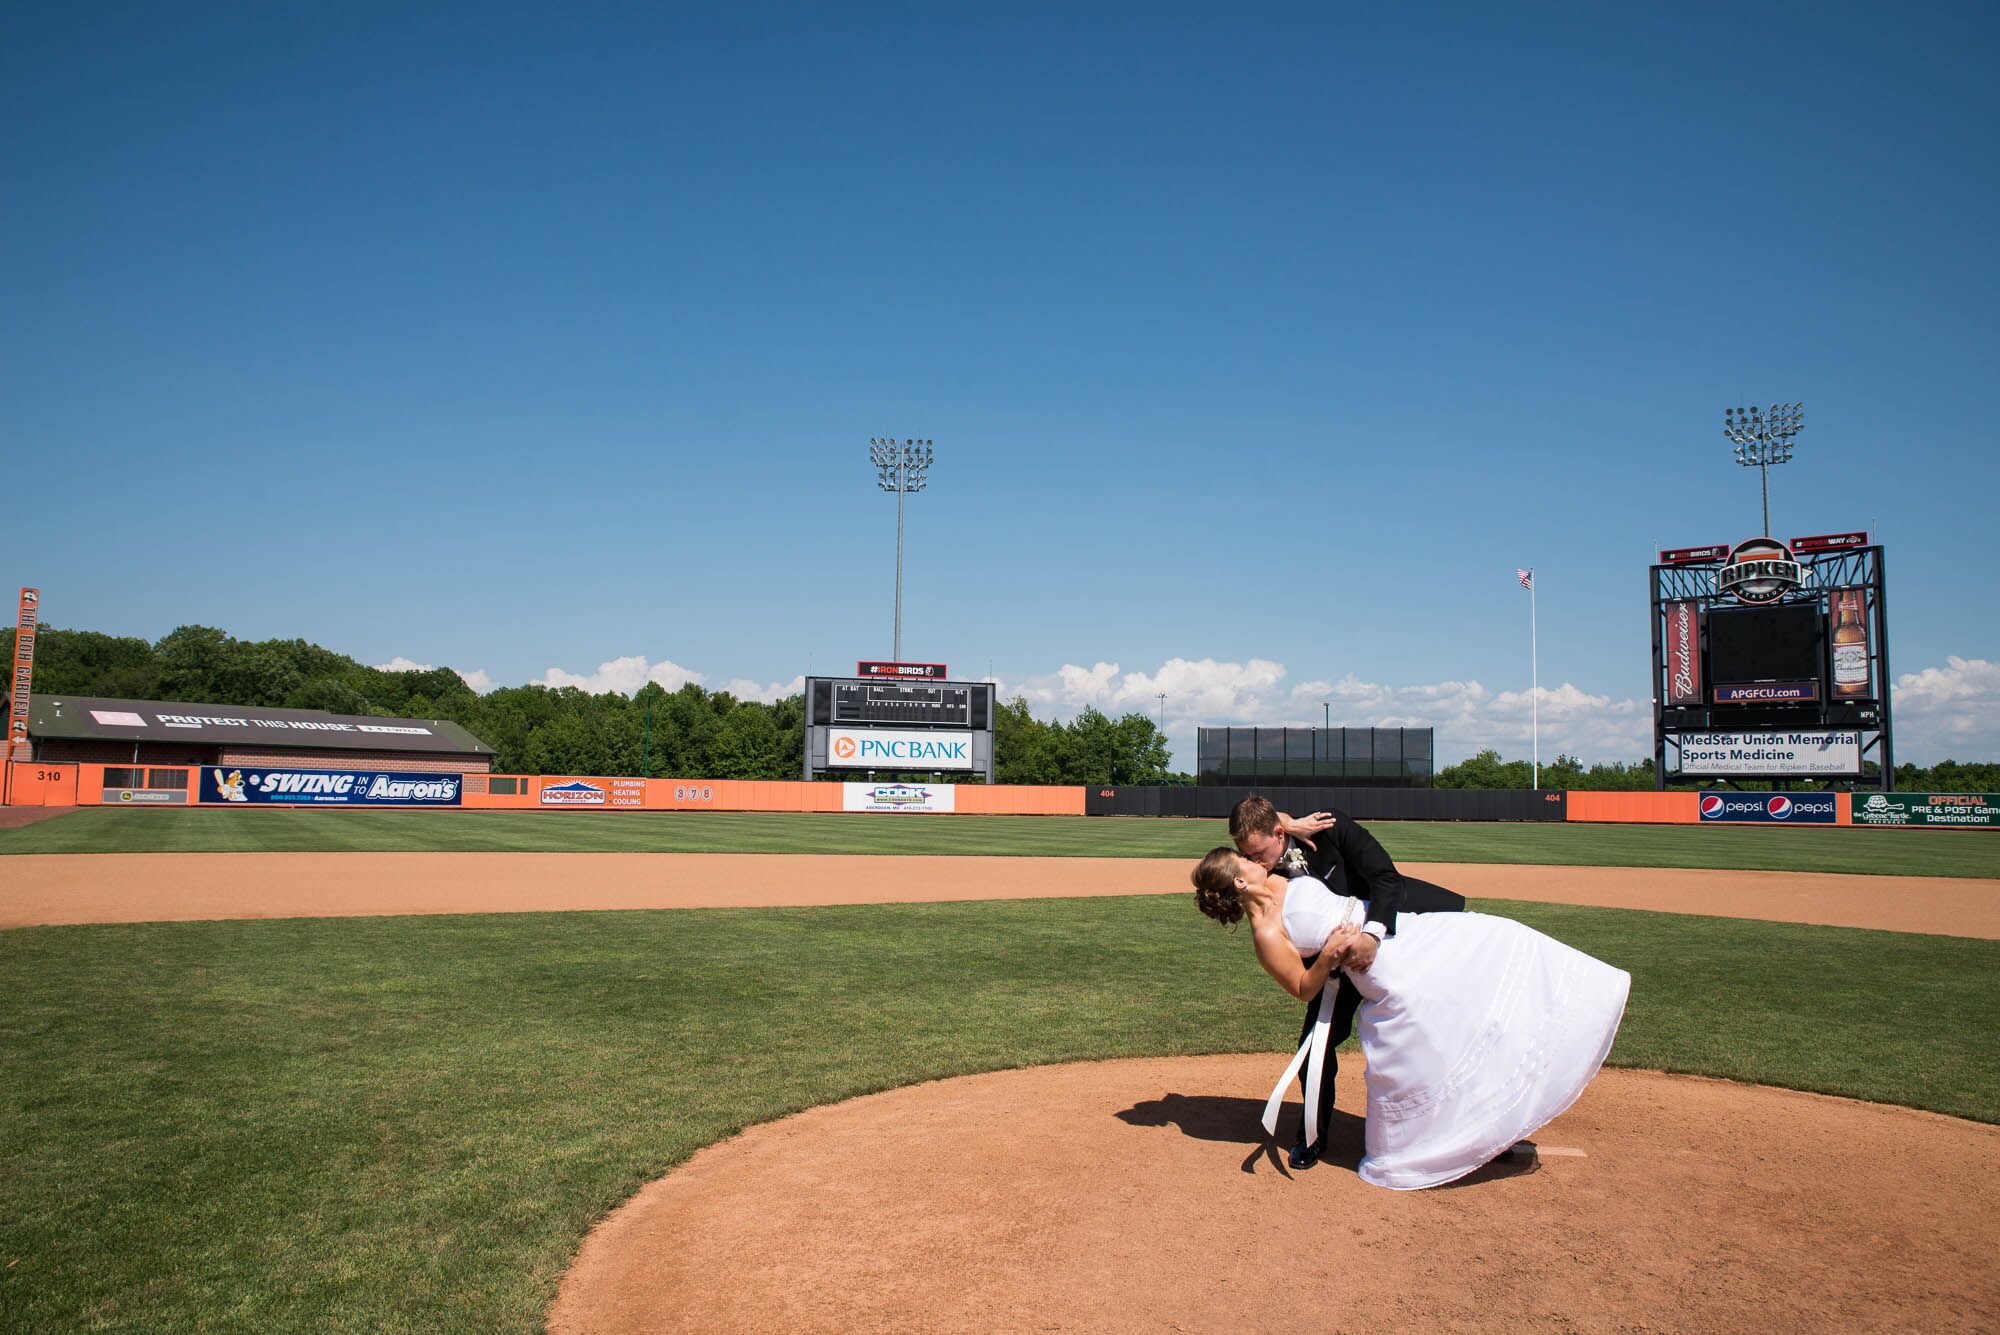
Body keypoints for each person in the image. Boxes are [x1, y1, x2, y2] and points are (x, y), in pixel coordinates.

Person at [1190, 846, 1629, 1190]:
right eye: (1242, 860)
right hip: (1385, 969)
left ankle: (1489, 1128)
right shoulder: (1266, 933)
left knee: (1498, 940)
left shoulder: (1285, 874)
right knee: (1435, 1046)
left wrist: (1290, 822)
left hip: (1406, 934)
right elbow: (1302, 987)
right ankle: (1448, 1140)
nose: (1251, 858)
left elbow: (1281, 832)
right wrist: (1326, 958)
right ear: (1241, 881)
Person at [1230, 796, 1467, 1168]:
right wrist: (1288, 825)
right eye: (1248, 854)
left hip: (1392, 941)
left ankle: (1470, 1130)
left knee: (1438, 1034)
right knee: (1314, 1050)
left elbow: (1385, 878)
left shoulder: (1329, 828)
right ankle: (1311, 1135)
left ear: (1277, 834)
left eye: (1259, 851)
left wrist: (1371, 935)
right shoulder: (1261, 867)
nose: (1254, 860)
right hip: (1333, 971)